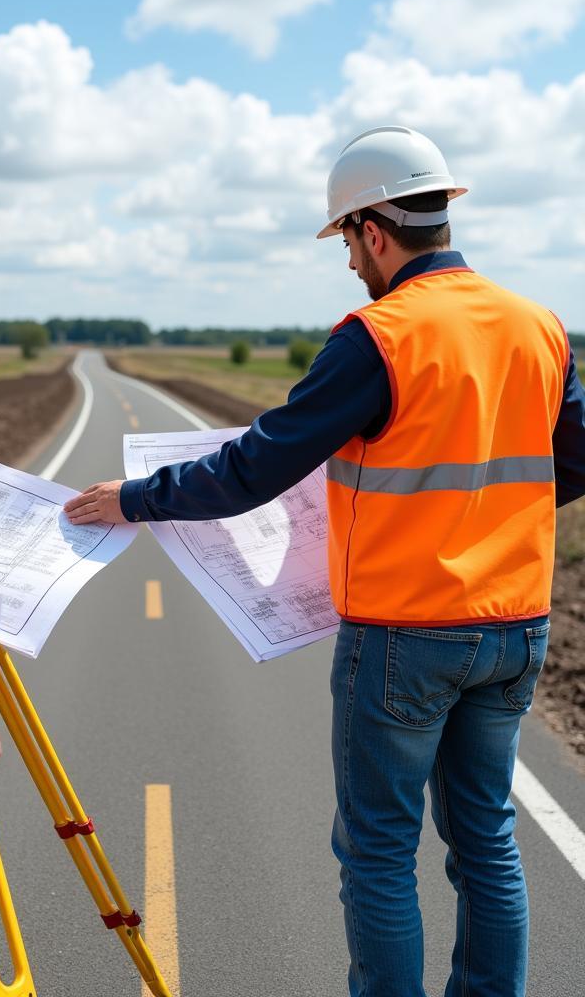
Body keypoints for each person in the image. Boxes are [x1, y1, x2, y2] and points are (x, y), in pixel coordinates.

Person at [64, 125, 585, 997]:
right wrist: (491, 518)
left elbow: (253, 468)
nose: (348, 262)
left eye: (346, 240)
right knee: (487, 838)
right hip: (515, 628)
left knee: (379, 850)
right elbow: (573, 459)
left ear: (374, 230)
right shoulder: (541, 327)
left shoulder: (378, 337)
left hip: (404, 638)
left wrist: (136, 496)